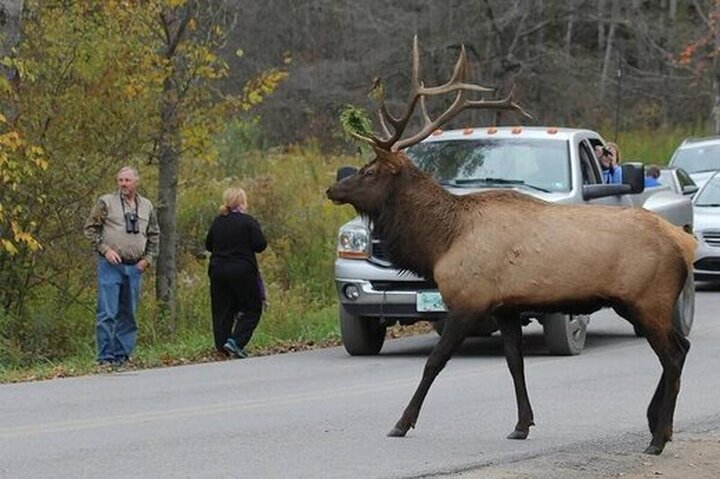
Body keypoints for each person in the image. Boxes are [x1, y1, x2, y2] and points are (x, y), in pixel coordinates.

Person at [83, 166, 160, 366]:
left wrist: (148, 259)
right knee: (107, 312)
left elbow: (154, 235)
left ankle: (122, 355)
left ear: (136, 182)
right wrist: (105, 250)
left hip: (135, 267)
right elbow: (90, 229)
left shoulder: (146, 206)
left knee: (129, 314)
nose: (123, 184)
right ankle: (105, 357)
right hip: (111, 265)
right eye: (120, 180)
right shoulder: (106, 202)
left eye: (127, 180)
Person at [205, 187, 267, 358]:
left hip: (217, 270)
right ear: (241, 202)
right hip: (241, 270)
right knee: (252, 308)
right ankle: (236, 341)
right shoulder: (248, 221)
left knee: (222, 309)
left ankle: (222, 347)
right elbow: (260, 245)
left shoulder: (218, 221)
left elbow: (208, 245)